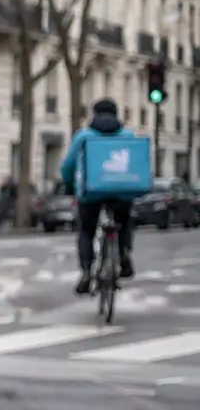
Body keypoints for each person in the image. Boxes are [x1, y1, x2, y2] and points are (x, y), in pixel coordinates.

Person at [59, 98, 137, 293]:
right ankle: (124, 253)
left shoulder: (83, 136)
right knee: (124, 221)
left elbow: (67, 166)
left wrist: (70, 185)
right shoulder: (127, 135)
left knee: (86, 230)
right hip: (121, 192)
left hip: (91, 193)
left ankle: (86, 271)